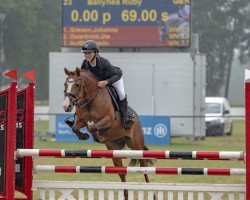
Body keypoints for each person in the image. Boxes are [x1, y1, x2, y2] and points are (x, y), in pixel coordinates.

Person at [65, 40, 133, 130]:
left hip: (114, 78)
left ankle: (125, 118)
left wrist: (107, 82)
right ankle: (76, 118)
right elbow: (82, 78)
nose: (87, 55)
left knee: (121, 94)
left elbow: (118, 75)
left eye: (89, 53)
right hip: (99, 82)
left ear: (95, 53)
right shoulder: (85, 63)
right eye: (85, 53)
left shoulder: (103, 62)